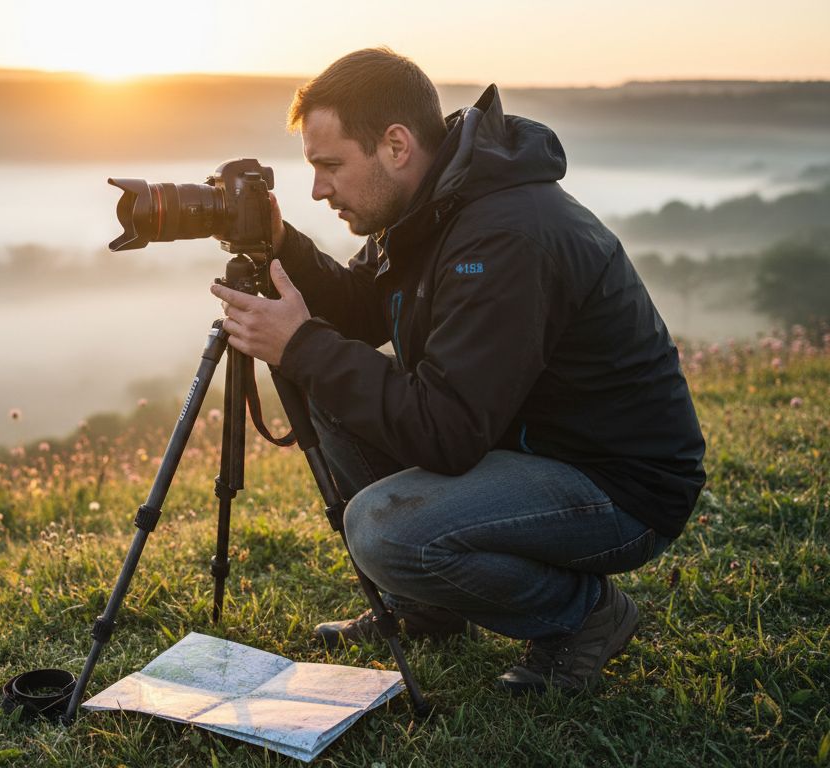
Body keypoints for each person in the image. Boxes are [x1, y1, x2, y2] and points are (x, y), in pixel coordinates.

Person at [209, 47, 706, 695]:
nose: (317, 189)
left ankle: (585, 617)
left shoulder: (503, 234)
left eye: (329, 166)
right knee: (328, 385)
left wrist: (300, 345)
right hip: (530, 450)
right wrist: (284, 246)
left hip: (619, 486)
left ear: (395, 145)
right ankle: (433, 607)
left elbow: (447, 431)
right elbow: (363, 311)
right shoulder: (430, 207)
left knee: (383, 529)